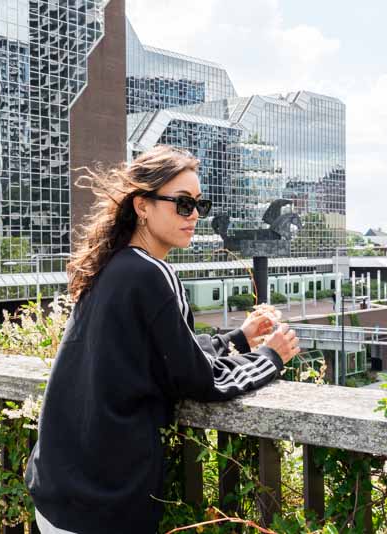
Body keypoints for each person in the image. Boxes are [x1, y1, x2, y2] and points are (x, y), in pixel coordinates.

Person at [24, 146, 300, 534]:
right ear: (142, 205)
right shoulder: (153, 273)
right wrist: (271, 357)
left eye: (199, 206)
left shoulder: (113, 265)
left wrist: (238, 339)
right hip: (104, 504)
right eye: (183, 204)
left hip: (57, 493)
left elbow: (160, 355)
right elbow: (196, 380)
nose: (195, 217)